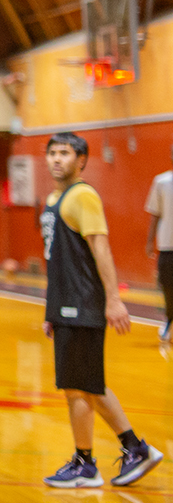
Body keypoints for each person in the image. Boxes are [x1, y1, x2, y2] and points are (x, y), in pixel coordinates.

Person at [39, 131, 162, 488]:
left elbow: (101, 250)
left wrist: (113, 299)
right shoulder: (53, 198)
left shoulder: (83, 196)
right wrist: (51, 309)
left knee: (77, 387)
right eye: (52, 153)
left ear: (81, 161)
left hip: (83, 302)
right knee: (88, 384)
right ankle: (134, 449)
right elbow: (57, 258)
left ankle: (85, 463)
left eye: (65, 153)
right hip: (64, 303)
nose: (56, 159)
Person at [144, 145, 173, 343]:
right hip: (167, 246)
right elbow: (155, 214)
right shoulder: (161, 182)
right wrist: (149, 241)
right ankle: (169, 320)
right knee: (168, 287)